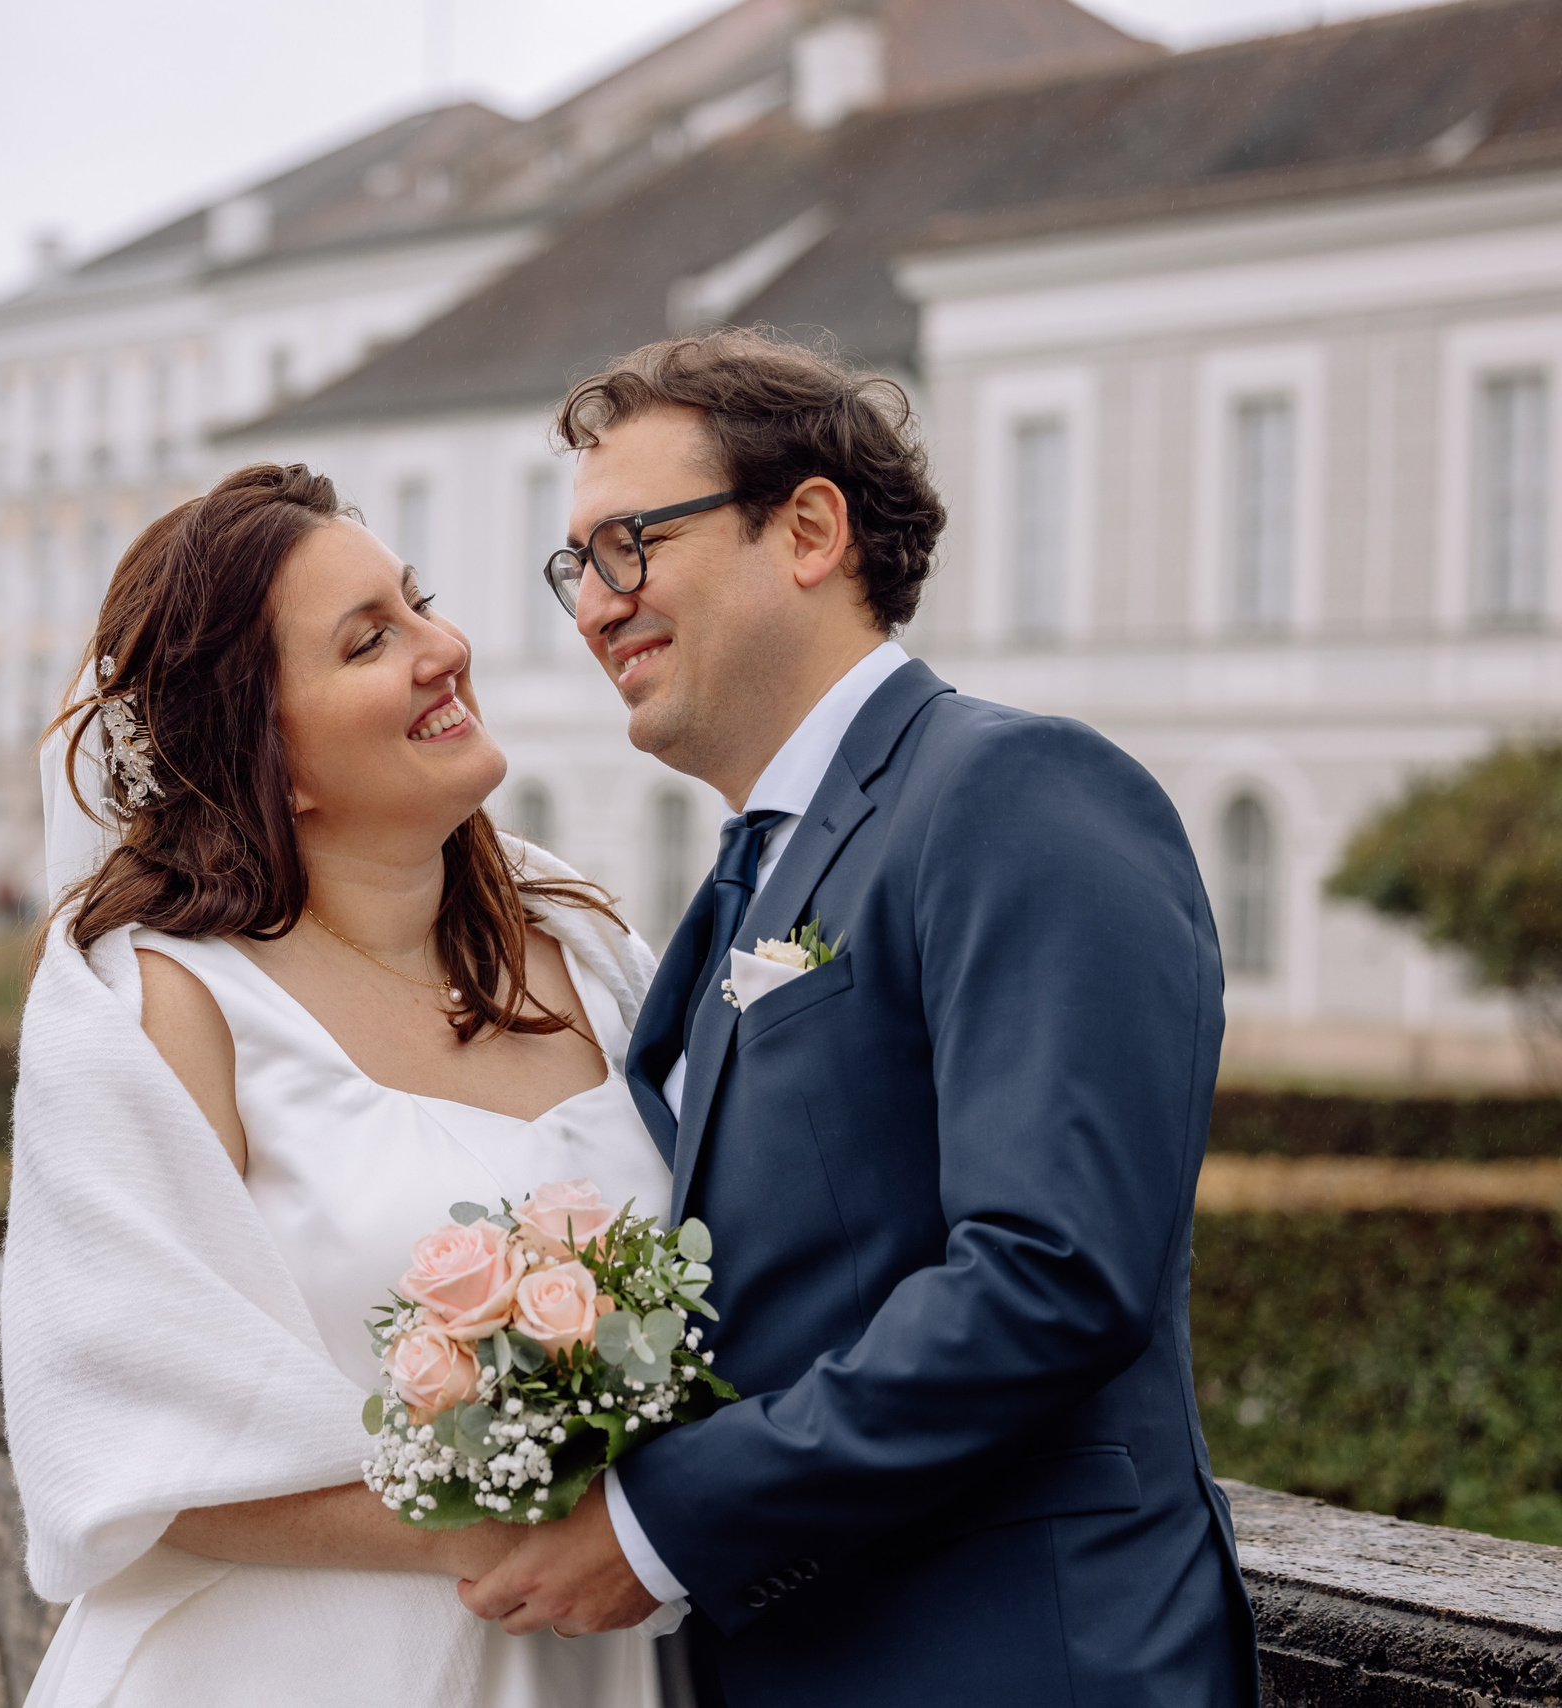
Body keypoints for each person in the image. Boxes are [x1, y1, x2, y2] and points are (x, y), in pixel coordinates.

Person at [455, 330, 1260, 1706]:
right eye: (574, 568)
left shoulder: (1014, 791)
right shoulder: (737, 882)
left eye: (630, 545)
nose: (594, 608)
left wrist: (661, 1525)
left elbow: (1049, 1273)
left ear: (810, 529)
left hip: (1016, 1661)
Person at [4, 463, 679, 1707]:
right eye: (371, 640)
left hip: (593, 1663)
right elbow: (127, 1440)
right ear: (270, 756)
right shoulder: (159, 1004)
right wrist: (520, 1531)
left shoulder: (586, 949)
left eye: (418, 603)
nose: (446, 649)